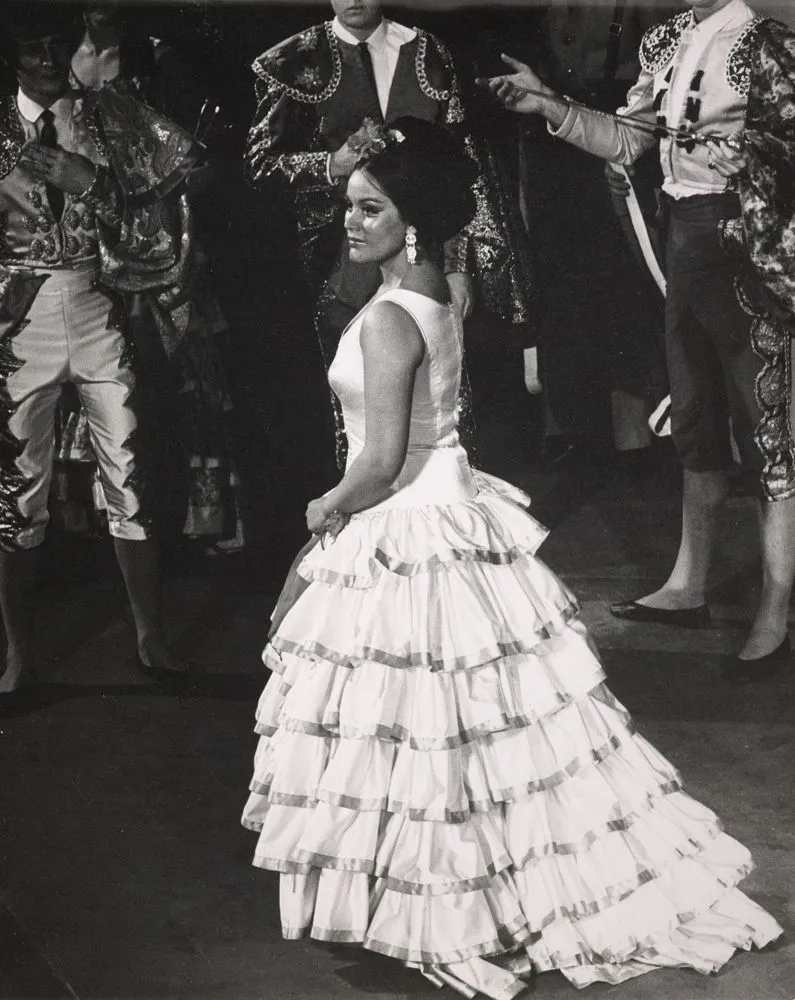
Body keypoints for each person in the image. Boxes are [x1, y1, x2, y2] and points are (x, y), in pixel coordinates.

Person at [242, 116, 782, 998]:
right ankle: (463, 889)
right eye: (349, 205)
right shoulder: (445, 288)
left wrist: (322, 514)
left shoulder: (384, 319)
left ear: (410, 218)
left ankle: (440, 902)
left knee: (416, 726)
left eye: (369, 207)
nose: (350, 221)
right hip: (451, 503)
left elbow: (379, 462)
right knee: (470, 722)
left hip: (404, 515)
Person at [484, 0, 795, 680]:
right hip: (681, 242)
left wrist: (720, 154)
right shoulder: (668, 39)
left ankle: (777, 604)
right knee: (694, 417)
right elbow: (626, 139)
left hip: (746, 244)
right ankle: (687, 582)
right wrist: (548, 106)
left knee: (769, 425)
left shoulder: (765, 41)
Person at [0, 5, 200, 706]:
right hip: (13, 327)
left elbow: (176, 199)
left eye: (63, 44)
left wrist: (97, 185)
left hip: (98, 306)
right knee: (13, 494)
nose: (51, 59)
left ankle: (150, 635)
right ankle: (15, 655)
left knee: (133, 474)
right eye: (34, 47)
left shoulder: (113, 115)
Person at [245, 0, 537, 461]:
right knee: (356, 402)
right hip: (336, 261)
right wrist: (328, 164)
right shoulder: (289, 61)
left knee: (441, 399)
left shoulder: (427, 52)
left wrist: (460, 263)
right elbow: (260, 166)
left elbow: (464, 167)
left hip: (427, 256)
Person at [62, 2, 245, 554]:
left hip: (160, 237)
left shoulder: (160, 60)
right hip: (86, 239)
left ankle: (199, 524)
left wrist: (161, 219)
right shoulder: (56, 60)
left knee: (184, 373)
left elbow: (195, 160)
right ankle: (100, 519)